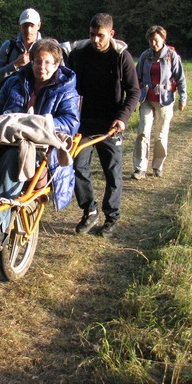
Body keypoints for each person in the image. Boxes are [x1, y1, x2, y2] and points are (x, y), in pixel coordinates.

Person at [0, 38, 81, 249]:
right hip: (5, 141)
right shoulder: (15, 82)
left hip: (42, 156)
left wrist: (36, 124)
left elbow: (70, 123)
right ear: (30, 62)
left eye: (48, 63)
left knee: (16, 157)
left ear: (57, 64)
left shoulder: (66, 90)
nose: (42, 67)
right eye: (37, 62)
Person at [67, 13, 140, 238]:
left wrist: (123, 118)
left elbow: (134, 91)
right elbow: (68, 84)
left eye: (100, 36)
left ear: (111, 34)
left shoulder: (121, 57)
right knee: (77, 167)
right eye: (92, 35)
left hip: (111, 125)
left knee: (112, 172)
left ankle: (111, 217)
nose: (96, 40)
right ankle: (89, 210)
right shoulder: (79, 54)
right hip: (84, 123)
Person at [131, 25, 187, 180]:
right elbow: (136, 79)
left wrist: (183, 98)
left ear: (163, 39)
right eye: (150, 41)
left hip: (165, 100)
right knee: (143, 132)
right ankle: (140, 168)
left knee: (160, 135)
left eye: (156, 40)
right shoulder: (144, 56)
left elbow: (180, 78)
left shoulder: (172, 56)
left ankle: (157, 166)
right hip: (146, 99)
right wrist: (133, 100)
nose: (153, 44)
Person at [0, 8, 42, 92]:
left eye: (32, 25)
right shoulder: (8, 47)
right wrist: (15, 65)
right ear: (19, 25)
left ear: (39, 25)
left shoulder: (47, 49)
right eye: (25, 25)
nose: (28, 30)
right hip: (10, 101)